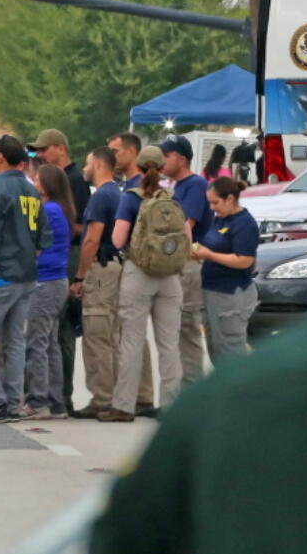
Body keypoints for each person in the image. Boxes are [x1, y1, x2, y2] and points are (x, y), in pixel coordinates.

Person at [89, 328, 307, 554]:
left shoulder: (237, 392)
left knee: (129, 336)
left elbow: (131, 528)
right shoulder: (241, 391)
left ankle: (123, 402)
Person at [0, 134, 52, 423]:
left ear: (1, 156)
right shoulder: (31, 190)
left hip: (0, 274)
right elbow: (44, 235)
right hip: (27, 275)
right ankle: (14, 402)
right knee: (15, 340)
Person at [104, 146, 184, 423]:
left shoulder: (131, 197)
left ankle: (124, 406)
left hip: (139, 273)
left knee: (132, 342)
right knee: (169, 344)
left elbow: (117, 239)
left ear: (138, 165)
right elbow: (185, 236)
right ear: (162, 168)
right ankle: (172, 405)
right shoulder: (171, 197)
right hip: (170, 276)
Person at [69, 147, 124, 419]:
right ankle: (113, 394)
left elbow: (91, 239)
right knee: (111, 336)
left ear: (100, 164)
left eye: (88, 164)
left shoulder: (101, 196)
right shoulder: (118, 194)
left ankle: (102, 398)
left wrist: (80, 276)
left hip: (100, 270)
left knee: (97, 336)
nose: (85, 169)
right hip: (115, 266)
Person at [160, 134, 214, 386]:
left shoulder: (194, 185)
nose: (162, 160)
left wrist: (176, 260)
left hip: (188, 262)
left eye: (166, 155)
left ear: (181, 159)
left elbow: (185, 226)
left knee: (187, 325)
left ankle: (191, 386)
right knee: (175, 327)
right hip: (178, 262)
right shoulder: (177, 187)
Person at [23, 164, 76, 419]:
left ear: (46, 184)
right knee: (51, 342)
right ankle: (56, 402)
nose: (34, 183)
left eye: (37, 180)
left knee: (37, 342)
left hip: (45, 280)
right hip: (57, 281)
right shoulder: (62, 209)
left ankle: (38, 401)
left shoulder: (49, 210)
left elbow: (35, 243)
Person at [193, 177, 259, 360]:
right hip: (211, 290)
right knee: (215, 346)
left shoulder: (244, 223)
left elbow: (244, 260)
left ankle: (240, 388)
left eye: (215, 202)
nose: (212, 207)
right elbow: (211, 243)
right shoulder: (220, 219)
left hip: (231, 293)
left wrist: (210, 255)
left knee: (230, 349)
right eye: (210, 203)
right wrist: (196, 250)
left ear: (230, 199)